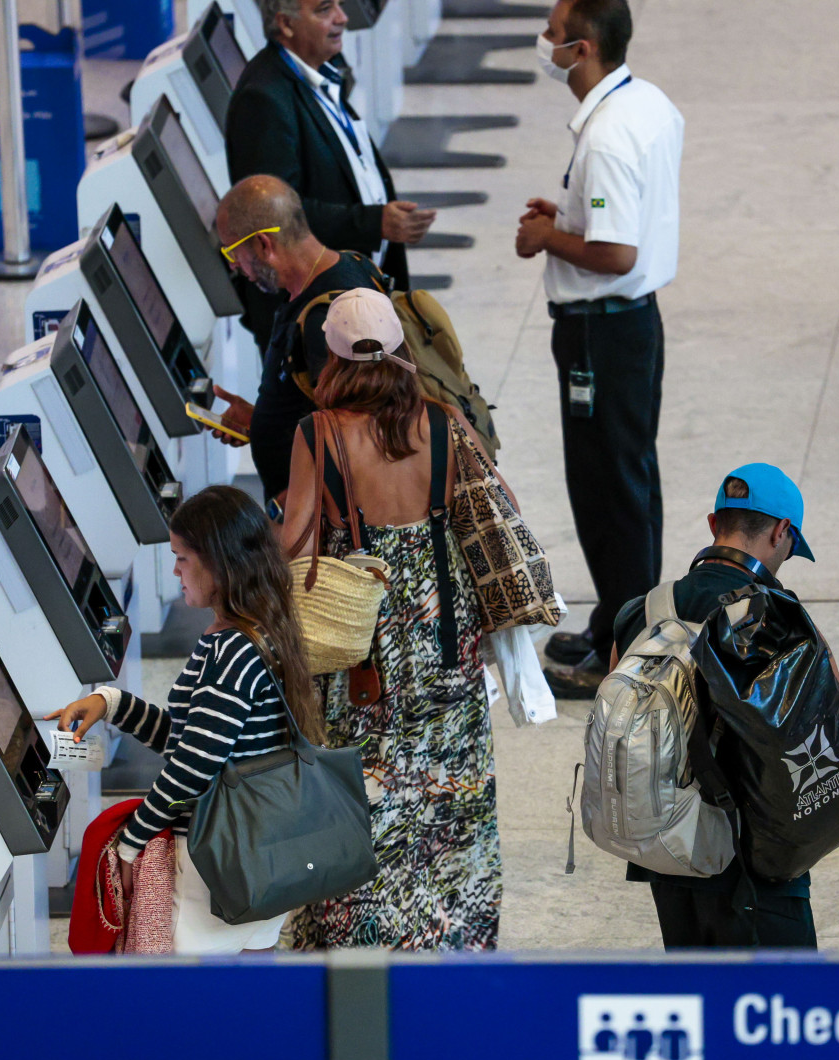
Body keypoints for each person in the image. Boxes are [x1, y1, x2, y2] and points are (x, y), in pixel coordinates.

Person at [279, 288, 502, 950]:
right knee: (451, 801)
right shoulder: (442, 422)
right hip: (446, 643)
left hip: (361, 648)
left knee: (362, 801)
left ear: (332, 355)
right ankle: (453, 957)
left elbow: (293, 542)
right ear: (403, 348)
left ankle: (360, 961)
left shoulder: (319, 435)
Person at [609, 464, 839, 949]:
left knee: (702, 1012)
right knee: (783, 1019)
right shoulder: (781, 623)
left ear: (715, 524)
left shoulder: (641, 612)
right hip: (757, 873)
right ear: (782, 533)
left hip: (668, 862)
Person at [47, 487, 322, 955]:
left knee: (196, 1002)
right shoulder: (264, 627)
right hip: (260, 849)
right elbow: (192, 737)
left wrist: (131, 843)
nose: (174, 571)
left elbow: (194, 765)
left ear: (218, 561)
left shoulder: (228, 648)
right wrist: (111, 704)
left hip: (216, 860)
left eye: (182, 558)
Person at [515, 0, 684, 700]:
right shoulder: (648, 103)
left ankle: (624, 654)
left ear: (581, 49)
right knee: (630, 480)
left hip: (600, 333)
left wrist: (548, 239)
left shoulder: (609, 134)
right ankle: (624, 618)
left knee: (607, 490)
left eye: (552, 35)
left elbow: (616, 252)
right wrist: (573, 218)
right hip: (634, 324)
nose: (544, 43)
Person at [225, 0, 434, 342]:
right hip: (313, 320)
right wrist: (373, 222)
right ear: (286, 24)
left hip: (352, 296)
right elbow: (274, 219)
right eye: (324, 9)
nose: (342, 17)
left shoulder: (318, 71)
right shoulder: (263, 99)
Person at [206, 175, 384, 502]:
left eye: (233, 251)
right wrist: (263, 421)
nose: (234, 265)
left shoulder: (328, 320)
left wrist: (291, 518)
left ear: (263, 243)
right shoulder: (346, 265)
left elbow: (358, 448)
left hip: (319, 530)